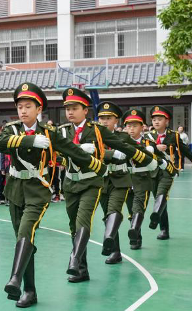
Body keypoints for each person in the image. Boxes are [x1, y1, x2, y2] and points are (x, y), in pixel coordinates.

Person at [0, 83, 104, 308]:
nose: (23, 111)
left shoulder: (49, 133)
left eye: (28, 106)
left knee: (26, 231)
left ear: (38, 109)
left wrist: (96, 165)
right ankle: (30, 290)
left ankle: (14, 279)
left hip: (37, 190)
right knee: (23, 240)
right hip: (14, 189)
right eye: (20, 107)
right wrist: (28, 140)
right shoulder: (13, 129)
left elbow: (71, 150)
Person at [56, 88, 149, 283]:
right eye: (67, 109)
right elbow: (55, 154)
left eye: (74, 108)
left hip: (92, 181)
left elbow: (121, 144)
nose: (70, 112)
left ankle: (74, 260)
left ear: (85, 110)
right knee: (74, 226)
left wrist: (146, 158)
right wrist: (78, 149)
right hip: (70, 183)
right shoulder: (62, 131)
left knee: (84, 222)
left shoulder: (96, 130)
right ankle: (82, 270)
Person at [96, 102, 150, 264]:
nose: (105, 121)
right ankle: (115, 251)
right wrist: (110, 153)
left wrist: (153, 156)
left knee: (114, 211)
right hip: (101, 180)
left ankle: (112, 242)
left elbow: (141, 152)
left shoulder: (123, 137)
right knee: (107, 216)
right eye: (102, 118)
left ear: (116, 121)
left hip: (120, 179)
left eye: (109, 118)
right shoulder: (93, 137)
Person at [146, 106, 192, 240]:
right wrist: (155, 147)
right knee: (159, 201)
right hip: (152, 171)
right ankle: (163, 227)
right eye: (154, 119)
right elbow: (141, 150)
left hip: (168, 170)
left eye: (160, 119)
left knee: (162, 195)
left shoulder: (174, 136)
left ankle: (157, 219)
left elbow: (185, 151)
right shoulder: (148, 136)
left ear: (167, 121)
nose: (156, 122)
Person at [122, 108, 169, 250]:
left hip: (143, 179)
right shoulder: (120, 141)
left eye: (135, 126)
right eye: (128, 126)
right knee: (131, 210)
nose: (131, 129)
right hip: (126, 179)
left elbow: (161, 160)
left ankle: (135, 235)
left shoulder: (149, 143)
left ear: (142, 127)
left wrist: (159, 159)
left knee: (138, 208)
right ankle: (137, 236)